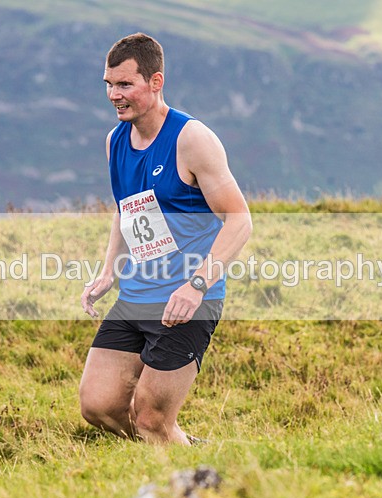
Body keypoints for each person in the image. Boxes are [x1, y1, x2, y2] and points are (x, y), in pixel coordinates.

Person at [78, 33, 252, 445]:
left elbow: (240, 220)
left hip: (187, 303)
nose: (114, 95)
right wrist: (108, 272)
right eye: (108, 84)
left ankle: (183, 482)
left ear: (155, 82)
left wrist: (196, 286)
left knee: (152, 419)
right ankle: (182, 449)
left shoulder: (191, 139)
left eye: (124, 84)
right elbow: (126, 209)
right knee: (98, 406)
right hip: (137, 295)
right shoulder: (115, 140)